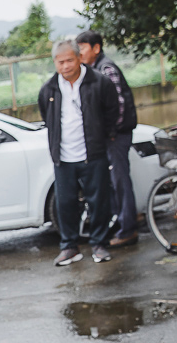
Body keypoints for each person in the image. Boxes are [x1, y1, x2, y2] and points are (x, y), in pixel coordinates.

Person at [39, 40, 119, 266]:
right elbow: (48, 117)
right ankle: (69, 247)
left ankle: (99, 244)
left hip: (92, 153)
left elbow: (112, 111)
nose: (65, 66)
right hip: (63, 157)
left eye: (69, 60)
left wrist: (105, 136)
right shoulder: (49, 89)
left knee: (99, 201)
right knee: (65, 203)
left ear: (79, 59)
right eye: (60, 61)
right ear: (55, 62)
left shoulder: (98, 82)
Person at [76, 31, 139, 247]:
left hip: (117, 135)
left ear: (96, 48)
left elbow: (119, 103)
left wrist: (111, 132)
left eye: (82, 47)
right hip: (109, 136)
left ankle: (128, 230)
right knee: (112, 182)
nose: (79, 53)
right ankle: (121, 223)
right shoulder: (93, 70)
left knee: (120, 181)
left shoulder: (106, 68)